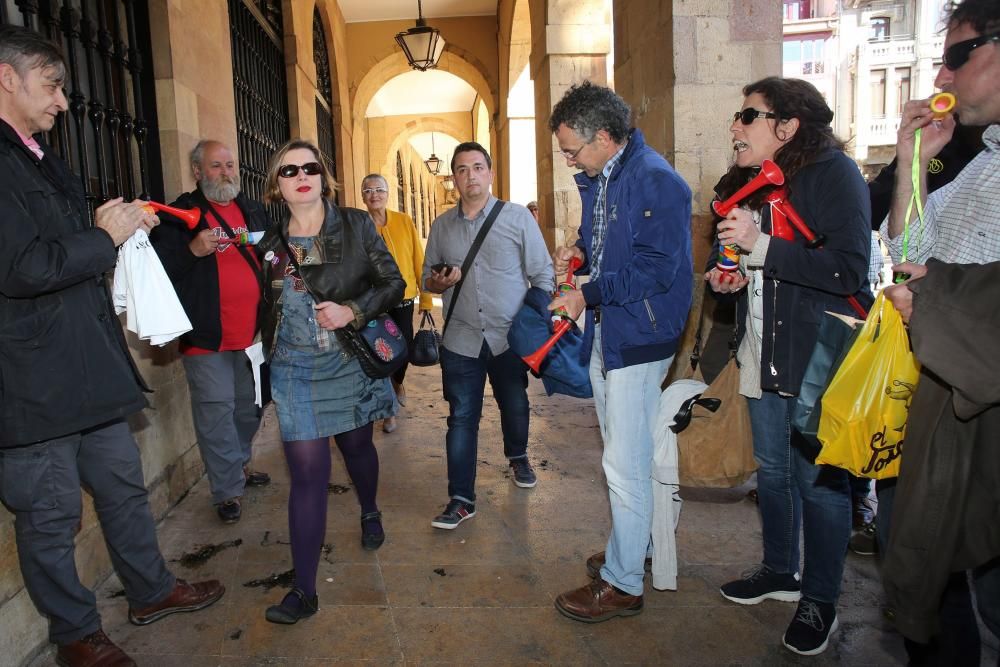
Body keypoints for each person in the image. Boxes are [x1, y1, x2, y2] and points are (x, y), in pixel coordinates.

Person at [0, 24, 224, 666]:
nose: (64, 102)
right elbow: (20, 267)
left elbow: (69, 242)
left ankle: (151, 591)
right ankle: (76, 635)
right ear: (8, 78)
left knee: (123, 486)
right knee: (49, 518)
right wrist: (102, 238)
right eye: (53, 86)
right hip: (32, 382)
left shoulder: (40, 156)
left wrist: (120, 226)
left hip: (87, 370)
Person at [705, 77, 872, 656]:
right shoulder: (743, 183)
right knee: (771, 473)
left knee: (818, 485)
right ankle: (779, 569)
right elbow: (731, 257)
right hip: (761, 349)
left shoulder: (835, 175)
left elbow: (849, 270)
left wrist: (763, 249)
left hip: (815, 359)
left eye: (746, 115)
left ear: (787, 125)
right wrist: (724, 278)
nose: (735, 126)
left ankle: (819, 599)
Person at [877, 0, 1000, 659]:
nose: (942, 77)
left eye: (959, 55)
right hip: (952, 428)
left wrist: (931, 299)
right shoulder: (981, 165)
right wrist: (912, 162)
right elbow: (910, 248)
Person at [545, 82, 693, 623]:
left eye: (572, 150)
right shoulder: (606, 175)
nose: (567, 161)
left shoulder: (655, 181)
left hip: (640, 330)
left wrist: (586, 293)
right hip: (617, 327)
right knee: (623, 451)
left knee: (624, 462)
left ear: (604, 138)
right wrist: (581, 248)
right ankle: (635, 546)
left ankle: (624, 581)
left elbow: (656, 269)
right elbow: (605, 239)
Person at [256, 139, 403, 624]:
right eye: (288, 170)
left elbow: (393, 283)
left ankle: (369, 507)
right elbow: (266, 305)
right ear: (277, 185)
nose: (301, 175)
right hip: (295, 370)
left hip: (348, 362)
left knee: (358, 447)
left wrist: (353, 311)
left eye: (311, 167)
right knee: (307, 476)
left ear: (324, 176)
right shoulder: (271, 243)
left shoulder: (357, 225)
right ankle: (304, 590)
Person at [422, 141, 554, 529]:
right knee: (461, 417)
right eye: (462, 170)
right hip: (460, 340)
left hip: (508, 338)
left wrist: (533, 322)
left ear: (490, 173)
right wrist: (438, 280)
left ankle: (518, 455)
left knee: (514, 404)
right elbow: (426, 279)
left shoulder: (516, 219)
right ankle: (461, 498)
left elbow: (543, 274)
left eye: (477, 167)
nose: (470, 176)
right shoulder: (442, 226)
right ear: (454, 179)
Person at [151, 139, 271, 524]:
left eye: (230, 165)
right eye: (216, 166)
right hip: (206, 337)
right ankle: (227, 490)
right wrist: (192, 251)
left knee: (249, 410)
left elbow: (275, 257)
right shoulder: (180, 213)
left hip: (252, 336)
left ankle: (236, 465)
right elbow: (158, 271)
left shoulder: (253, 210)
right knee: (216, 413)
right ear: (198, 172)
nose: (226, 172)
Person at [359, 173, 433, 433]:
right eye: (368, 190)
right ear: (362, 196)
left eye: (379, 189)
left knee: (403, 351)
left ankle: (398, 383)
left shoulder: (403, 221)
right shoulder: (359, 225)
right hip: (373, 302)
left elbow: (418, 259)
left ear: (388, 194)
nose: (374, 195)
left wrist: (426, 298)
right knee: (378, 355)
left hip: (402, 299)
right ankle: (388, 410)